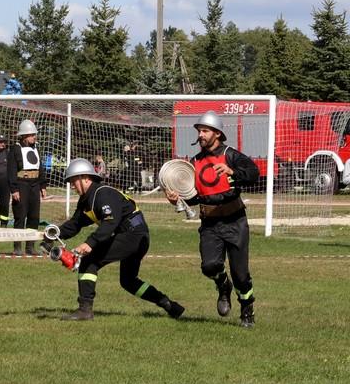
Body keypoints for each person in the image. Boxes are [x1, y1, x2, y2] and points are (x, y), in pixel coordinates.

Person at [51, 158, 185, 321]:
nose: (72, 185)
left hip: (133, 235)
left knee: (89, 261)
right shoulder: (87, 200)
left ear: (85, 178)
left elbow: (110, 222)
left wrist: (90, 243)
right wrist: (52, 233)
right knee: (128, 281)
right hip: (136, 236)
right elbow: (75, 224)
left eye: (73, 180)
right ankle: (169, 305)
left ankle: (84, 310)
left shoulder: (103, 193)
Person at [164, 110, 259, 328]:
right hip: (210, 224)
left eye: (205, 131)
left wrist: (232, 171)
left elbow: (253, 174)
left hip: (235, 221)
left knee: (240, 274)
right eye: (199, 131)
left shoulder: (231, 154)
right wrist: (177, 199)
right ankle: (223, 285)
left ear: (217, 133)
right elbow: (194, 196)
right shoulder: (195, 162)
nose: (200, 135)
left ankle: (247, 310)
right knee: (209, 266)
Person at [7, 119, 47, 255]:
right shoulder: (15, 149)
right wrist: (14, 190)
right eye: (32, 135)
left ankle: (30, 247)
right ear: (24, 136)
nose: (34, 137)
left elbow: (40, 167)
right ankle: (17, 247)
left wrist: (42, 185)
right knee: (20, 216)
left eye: (35, 134)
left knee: (34, 216)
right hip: (21, 185)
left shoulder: (36, 148)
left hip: (34, 185)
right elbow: (11, 170)